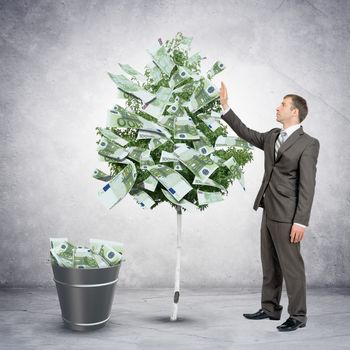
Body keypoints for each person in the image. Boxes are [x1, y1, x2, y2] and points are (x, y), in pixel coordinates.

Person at [219, 82, 320, 332]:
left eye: (283, 104)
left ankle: (298, 315)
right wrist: (225, 107)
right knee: (270, 264)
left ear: (294, 112)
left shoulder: (308, 143)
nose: (278, 107)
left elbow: (308, 185)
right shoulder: (272, 136)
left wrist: (301, 221)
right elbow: (246, 132)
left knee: (292, 267)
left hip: (288, 215)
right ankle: (270, 308)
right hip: (268, 208)